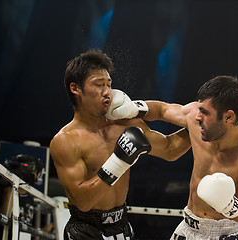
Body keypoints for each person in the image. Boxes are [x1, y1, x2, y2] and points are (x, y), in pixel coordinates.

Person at [106, 75, 238, 240]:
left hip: (230, 231)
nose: (198, 117)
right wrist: (133, 108)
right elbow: (163, 110)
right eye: (200, 109)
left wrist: (229, 206)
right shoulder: (196, 117)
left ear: (229, 117)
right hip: (190, 226)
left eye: (205, 113)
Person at [49, 49, 190, 240]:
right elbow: (83, 202)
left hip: (122, 226)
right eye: (98, 85)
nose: (107, 91)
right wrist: (119, 162)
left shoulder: (125, 124)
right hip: (85, 231)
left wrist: (201, 126)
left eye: (109, 84)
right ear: (75, 88)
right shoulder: (65, 140)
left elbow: (170, 149)